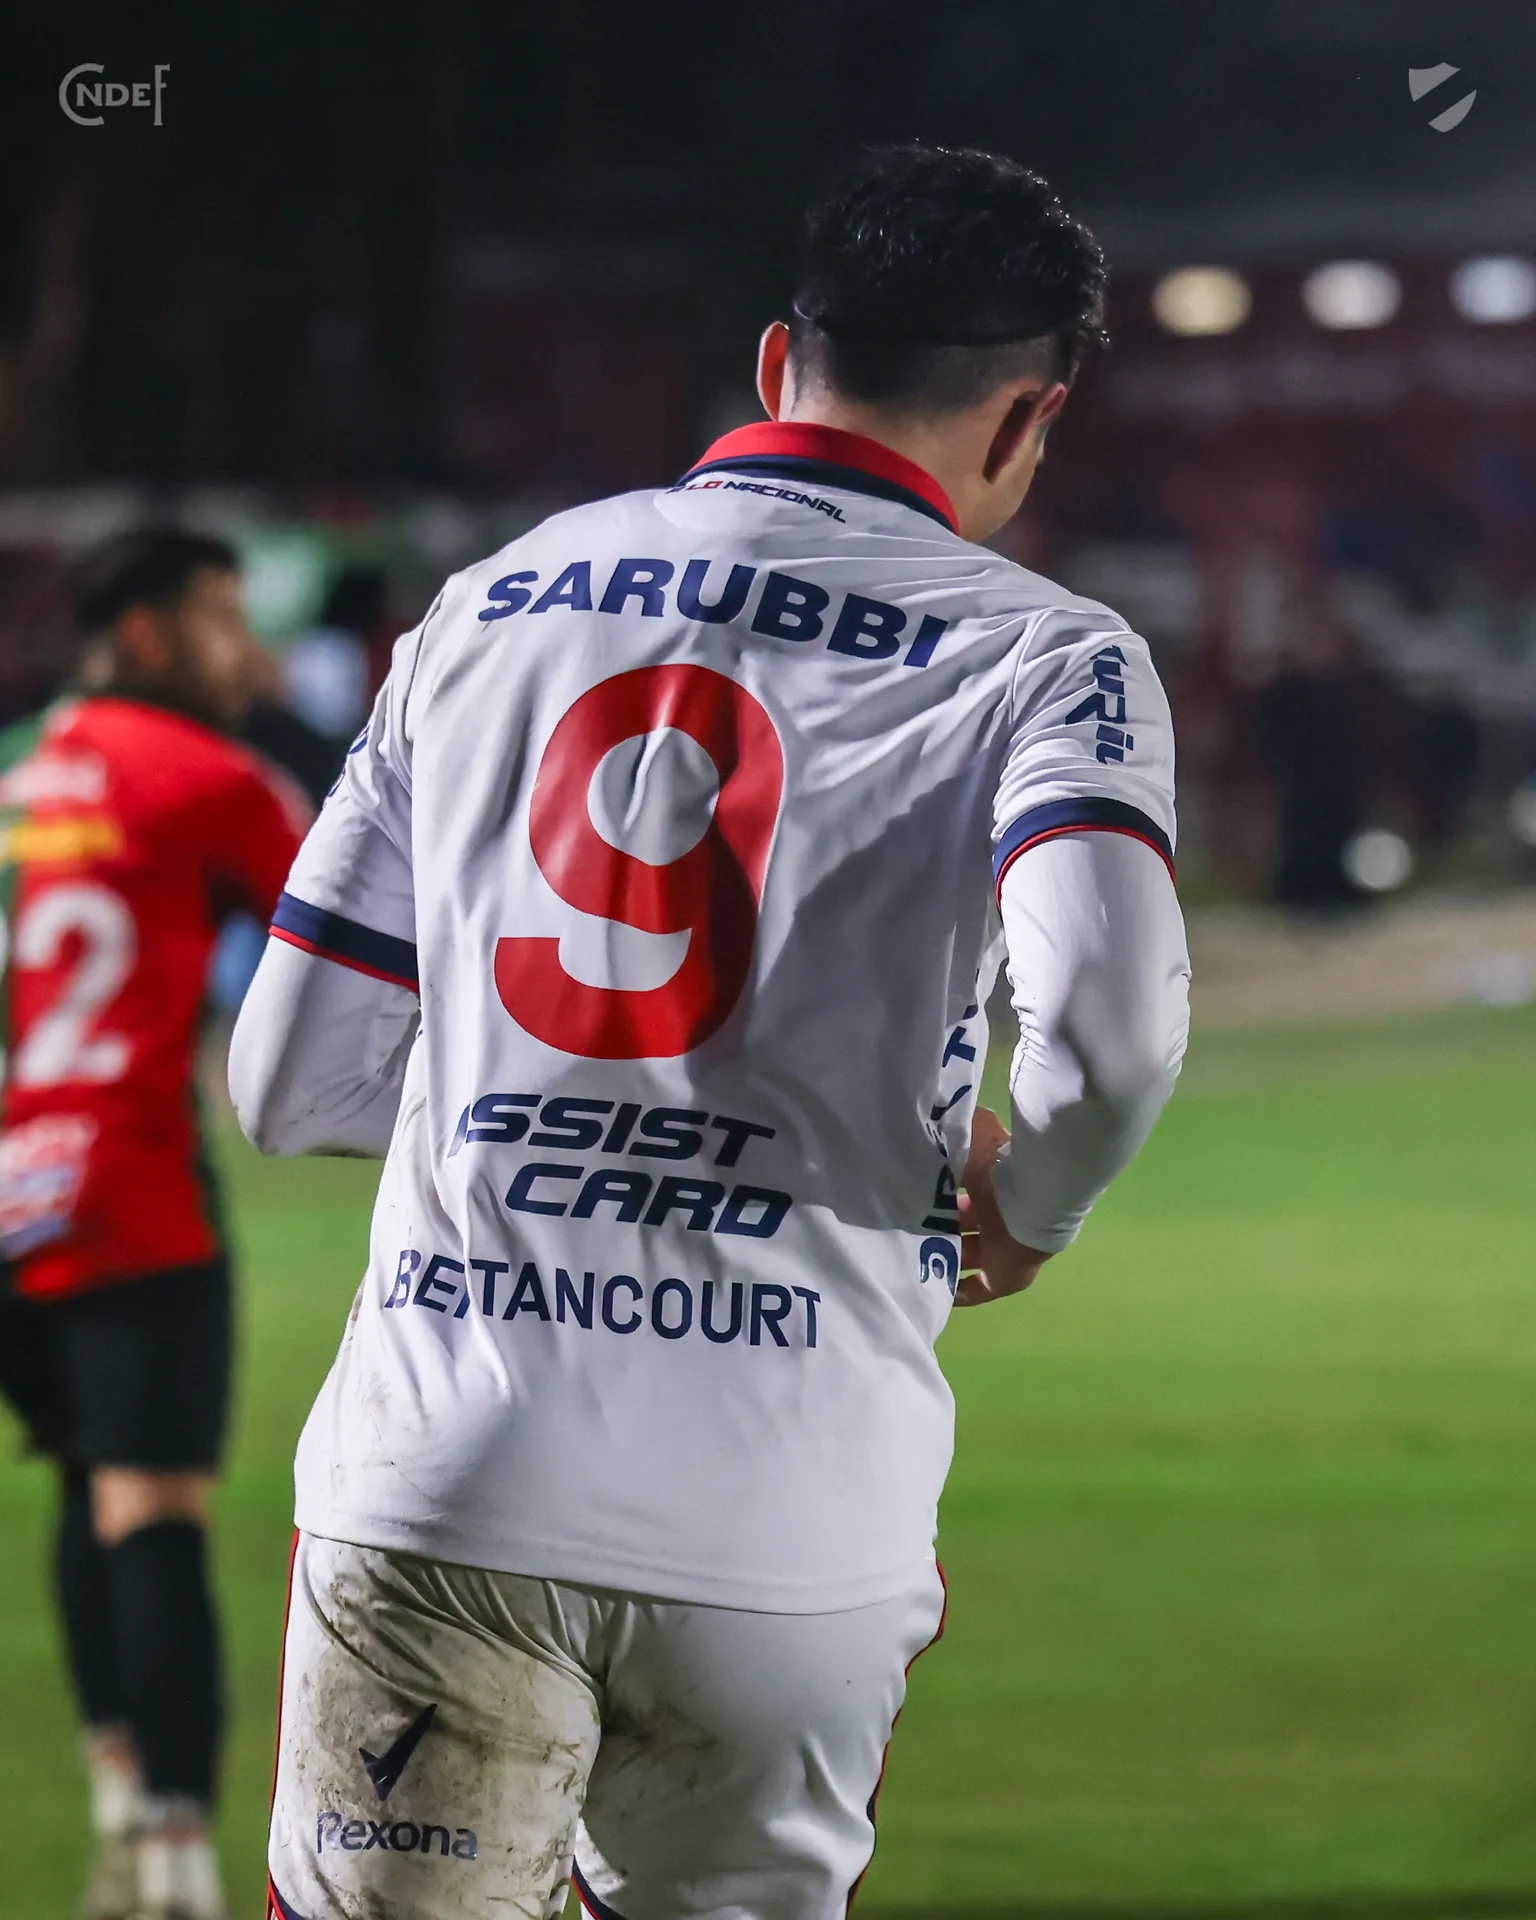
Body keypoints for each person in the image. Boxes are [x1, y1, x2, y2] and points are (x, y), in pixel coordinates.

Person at [232, 143, 1191, 1920]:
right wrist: (1031, 1205)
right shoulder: (1046, 654)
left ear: (775, 363)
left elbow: (288, 1078)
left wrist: (532, 1099)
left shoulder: (487, 603)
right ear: (1026, 416)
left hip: (446, 1469)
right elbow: (1112, 1033)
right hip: (792, 1507)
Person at [0, 530, 308, 1920]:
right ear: (145, 635)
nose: (251, 656)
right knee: (155, 1509)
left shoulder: (15, 768)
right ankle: (177, 1869)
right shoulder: (206, 777)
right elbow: (353, 949)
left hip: (12, 1199)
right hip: (129, 1194)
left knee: (84, 1482)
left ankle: (119, 1808)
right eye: (224, 621)